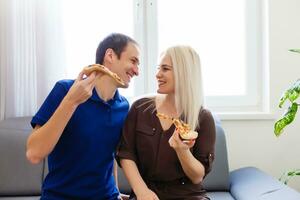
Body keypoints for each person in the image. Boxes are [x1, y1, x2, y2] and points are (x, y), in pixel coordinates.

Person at [26, 33, 140, 200]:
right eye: (133, 61)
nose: (137, 71)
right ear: (110, 56)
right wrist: (71, 101)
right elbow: (34, 153)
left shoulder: (123, 107)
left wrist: (114, 192)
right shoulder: (65, 90)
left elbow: (109, 154)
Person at [116, 45, 216, 200]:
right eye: (158, 68)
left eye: (165, 69)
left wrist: (182, 151)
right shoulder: (140, 108)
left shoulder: (203, 117)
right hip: (146, 193)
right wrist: (142, 191)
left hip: (187, 196)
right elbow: (126, 154)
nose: (157, 74)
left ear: (184, 73)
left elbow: (197, 177)